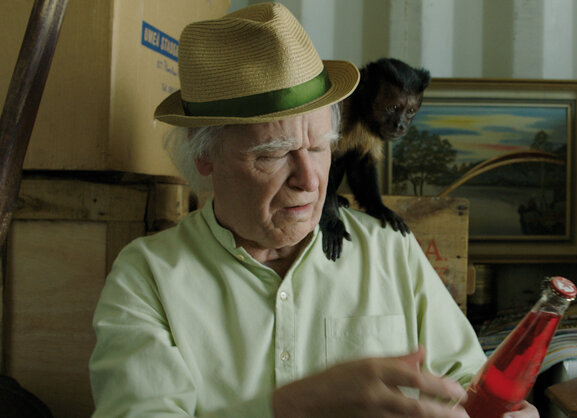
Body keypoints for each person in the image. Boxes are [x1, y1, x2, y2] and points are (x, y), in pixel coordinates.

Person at [88, 3, 538, 417]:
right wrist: (289, 407)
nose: (311, 180)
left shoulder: (390, 254)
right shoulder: (147, 278)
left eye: (321, 146)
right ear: (204, 155)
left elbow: (470, 387)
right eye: (274, 152)